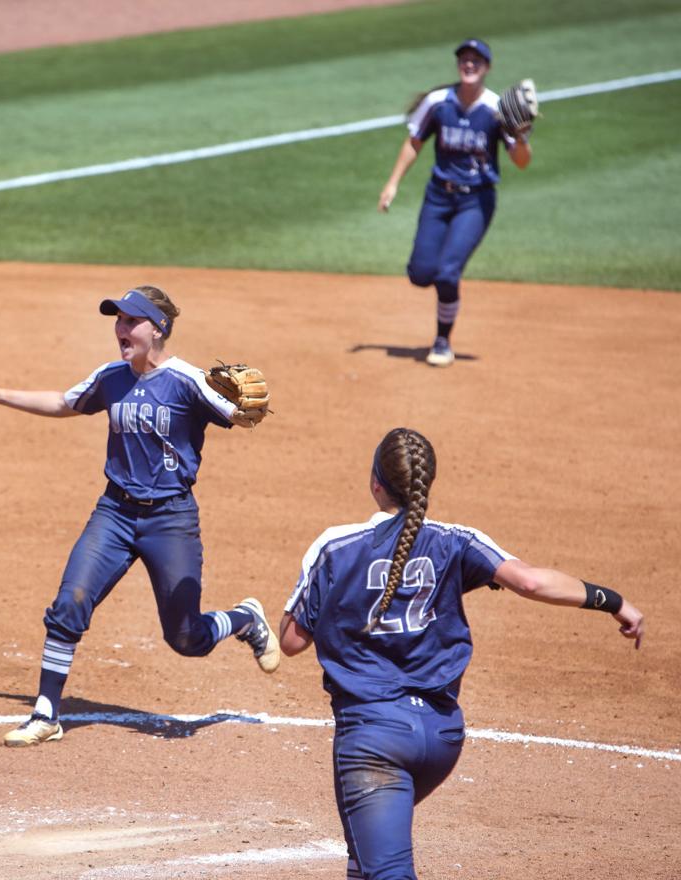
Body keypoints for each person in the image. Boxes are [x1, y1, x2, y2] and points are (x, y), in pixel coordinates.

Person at [275, 427, 645, 880]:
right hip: (441, 737)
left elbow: (292, 643)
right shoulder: (456, 540)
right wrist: (614, 601)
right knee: (365, 857)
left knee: (386, 870)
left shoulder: (334, 546)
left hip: (374, 745)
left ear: (375, 483)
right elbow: (530, 582)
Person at [0, 285, 281, 747]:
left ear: (158, 329)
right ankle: (46, 713)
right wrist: (0, 396)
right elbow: (66, 403)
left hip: (170, 519)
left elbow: (241, 412)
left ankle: (245, 619)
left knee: (186, 637)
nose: (121, 329)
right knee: (71, 601)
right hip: (115, 512)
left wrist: (250, 412)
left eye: (132, 321)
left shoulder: (188, 380)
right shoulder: (111, 377)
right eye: (118, 320)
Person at [378, 39, 533, 367]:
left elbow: (521, 161)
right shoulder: (438, 102)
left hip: (475, 201)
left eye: (476, 60)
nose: (469, 64)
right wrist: (392, 184)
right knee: (421, 274)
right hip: (438, 196)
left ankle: (442, 341)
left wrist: (519, 136)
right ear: (458, 64)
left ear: (487, 67)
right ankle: (439, 305)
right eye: (464, 58)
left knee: (447, 273)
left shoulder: (496, 109)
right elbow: (414, 142)